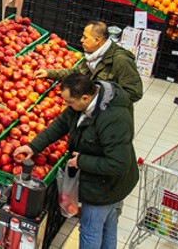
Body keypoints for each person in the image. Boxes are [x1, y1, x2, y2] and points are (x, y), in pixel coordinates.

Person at [14, 74, 139, 249]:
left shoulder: (113, 119)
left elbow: (119, 163)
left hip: (106, 185)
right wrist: (33, 147)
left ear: (85, 98)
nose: (66, 105)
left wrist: (82, 161)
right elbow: (61, 124)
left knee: (90, 230)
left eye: (69, 102)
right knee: (108, 224)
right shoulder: (84, 105)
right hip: (105, 182)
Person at [35, 21, 142, 117]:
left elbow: (134, 93)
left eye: (85, 37)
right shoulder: (92, 56)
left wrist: (101, 98)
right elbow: (75, 73)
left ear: (96, 40)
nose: (81, 40)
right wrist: (48, 73)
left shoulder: (121, 60)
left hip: (112, 119)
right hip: (93, 114)